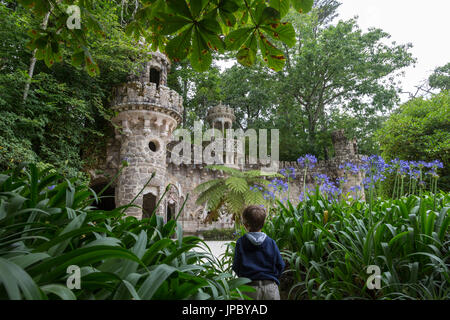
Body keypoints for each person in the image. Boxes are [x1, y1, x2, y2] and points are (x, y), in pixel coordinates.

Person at [232, 205, 285, 300]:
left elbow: (236, 266)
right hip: (270, 288)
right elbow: (280, 265)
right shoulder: (271, 242)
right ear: (264, 223)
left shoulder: (241, 242)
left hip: (248, 288)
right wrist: (271, 277)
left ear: (245, 224)